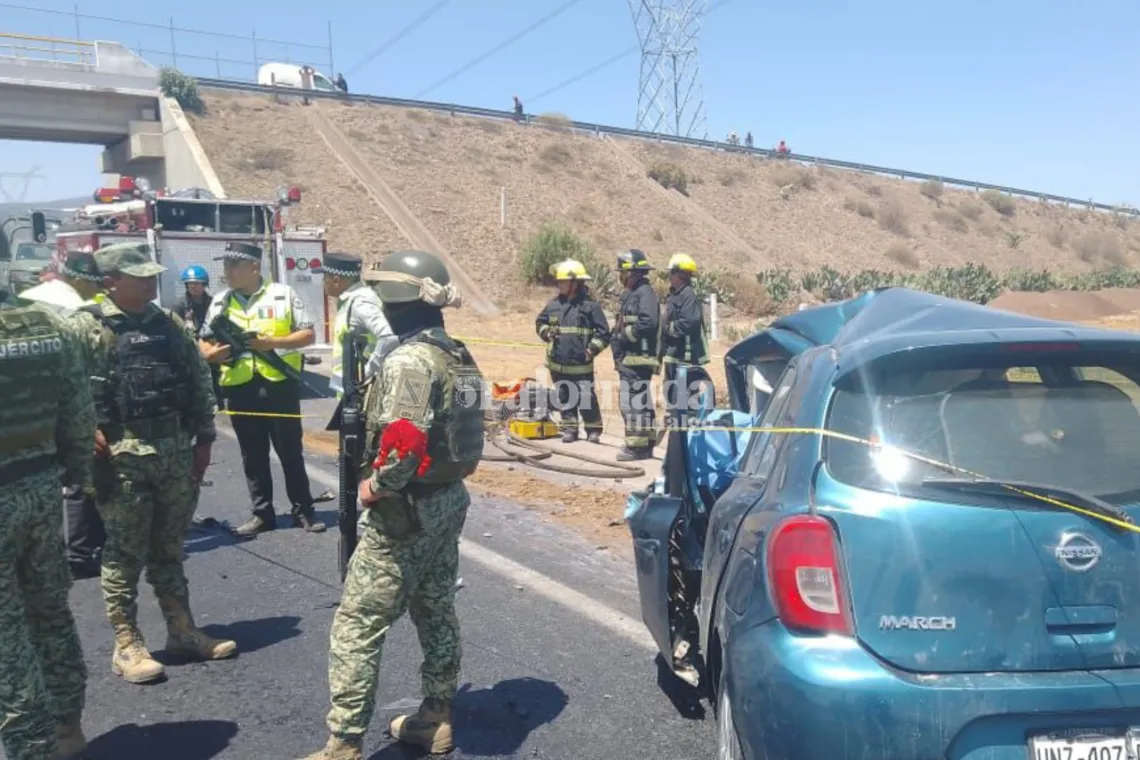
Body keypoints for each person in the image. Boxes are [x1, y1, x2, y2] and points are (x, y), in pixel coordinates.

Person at [298, 249, 478, 760]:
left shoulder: (409, 361)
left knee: (358, 622)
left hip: (407, 509)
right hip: (447, 499)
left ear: (398, 297)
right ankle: (436, 717)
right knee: (435, 608)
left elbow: (403, 446)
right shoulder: (457, 354)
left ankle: (344, 743)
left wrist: (373, 487)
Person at [70, 242, 235, 686]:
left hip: (173, 453)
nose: (149, 281)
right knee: (124, 553)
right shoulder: (85, 327)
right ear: (110, 281)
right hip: (121, 459)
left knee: (168, 548)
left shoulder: (168, 325)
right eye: (138, 275)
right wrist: (83, 429)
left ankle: (181, 631)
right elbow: (61, 389)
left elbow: (199, 380)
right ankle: (128, 645)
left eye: (150, 274)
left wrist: (203, 438)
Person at [0, 284, 94, 759]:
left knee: (6, 636)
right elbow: (79, 414)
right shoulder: (51, 325)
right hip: (39, 488)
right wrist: (77, 477)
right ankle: (66, 727)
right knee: (49, 611)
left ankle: (27, 748)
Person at [197, 241, 328, 536]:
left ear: (253, 267)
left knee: (290, 451)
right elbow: (203, 337)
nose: (227, 271)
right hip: (239, 385)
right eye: (225, 265)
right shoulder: (220, 301)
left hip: (278, 385)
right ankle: (262, 513)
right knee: (252, 455)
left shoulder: (283, 295)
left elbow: (308, 333)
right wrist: (208, 354)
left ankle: (304, 510)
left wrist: (274, 343)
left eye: (233, 265)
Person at [20, 250, 108, 580]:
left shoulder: (27, 298)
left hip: (23, 406)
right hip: (59, 402)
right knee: (79, 480)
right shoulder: (74, 309)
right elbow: (79, 372)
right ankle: (82, 553)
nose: (95, 291)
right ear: (80, 279)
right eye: (93, 284)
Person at [535, 259, 610, 443]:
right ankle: (570, 429)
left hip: (581, 365)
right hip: (558, 364)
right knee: (564, 396)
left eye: (562, 282)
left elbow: (604, 333)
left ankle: (593, 430)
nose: (558, 285)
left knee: (586, 396)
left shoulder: (590, 307)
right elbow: (540, 322)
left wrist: (591, 351)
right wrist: (546, 333)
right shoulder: (554, 305)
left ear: (575, 284)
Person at [323, 251, 397, 399]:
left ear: (336, 280)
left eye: (325, 278)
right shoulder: (351, 300)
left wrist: (366, 374)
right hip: (350, 388)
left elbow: (389, 338)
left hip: (361, 391)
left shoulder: (360, 302)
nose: (323, 283)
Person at [611, 248, 661, 461]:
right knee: (639, 401)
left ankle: (636, 448)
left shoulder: (644, 294)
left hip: (637, 359)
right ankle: (646, 444)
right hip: (630, 358)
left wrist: (624, 335)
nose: (620, 277)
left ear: (631, 273)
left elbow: (648, 323)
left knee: (631, 403)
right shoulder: (634, 294)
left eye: (622, 272)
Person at [661, 253, 710, 418]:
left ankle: (687, 420)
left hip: (685, 355)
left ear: (679, 274)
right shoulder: (675, 295)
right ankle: (674, 415)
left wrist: (667, 329)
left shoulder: (687, 295)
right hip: (673, 353)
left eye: (672, 273)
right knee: (671, 388)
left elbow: (689, 323)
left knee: (686, 391)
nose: (670, 277)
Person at [174, 265, 224, 407]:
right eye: (190, 283)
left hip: (211, 347)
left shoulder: (213, 303)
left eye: (197, 283)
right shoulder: (180, 305)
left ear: (204, 285)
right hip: (191, 349)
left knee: (214, 380)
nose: (193, 287)